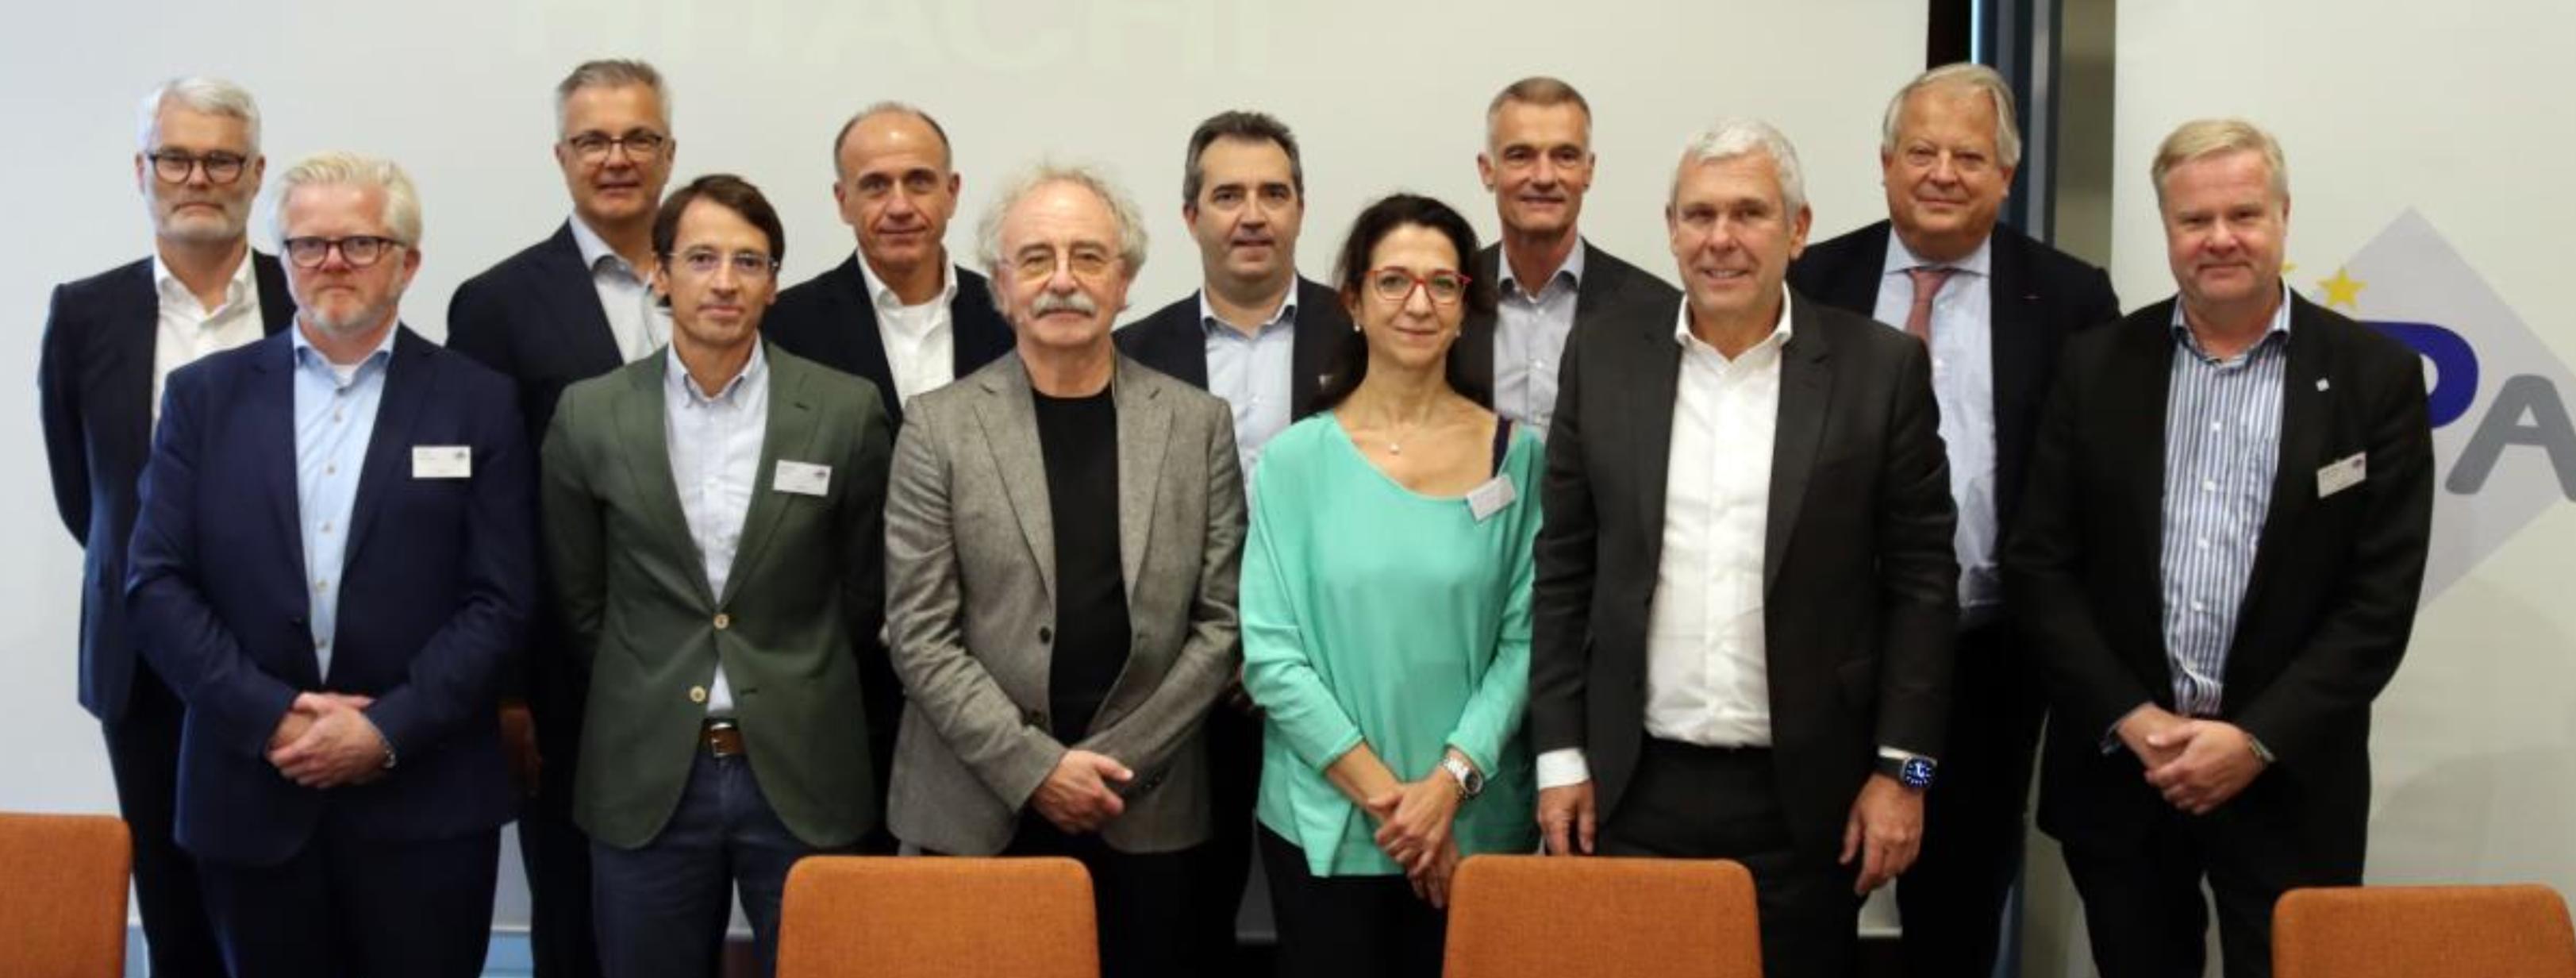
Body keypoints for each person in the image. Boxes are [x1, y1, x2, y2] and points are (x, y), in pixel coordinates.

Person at [1528, 119, 1959, 978]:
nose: (1720, 238)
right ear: (1671, 227)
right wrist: (1559, 754)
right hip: (1632, 786)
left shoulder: (1881, 370)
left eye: (1750, 213)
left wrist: (1903, 772)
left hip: (1809, 797)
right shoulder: (1606, 355)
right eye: (1699, 215)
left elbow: (1922, 585)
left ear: (1797, 229)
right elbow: (1565, 567)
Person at [2006, 118, 2434, 978]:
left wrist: (2254, 739)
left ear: (2283, 217)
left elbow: (2378, 601)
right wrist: (2136, 721)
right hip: (2126, 778)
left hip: (2289, 782)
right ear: (2167, 230)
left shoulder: (2372, 376)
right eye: (2194, 220)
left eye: (2244, 213)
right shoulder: (2095, 366)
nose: (2221, 239)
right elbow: (2041, 567)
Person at [126, 151, 533, 978]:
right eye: (309, 244)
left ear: (408, 262)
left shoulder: (478, 399)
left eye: (360, 242)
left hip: (427, 798)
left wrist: (385, 729)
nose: (332, 262)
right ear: (284, 258)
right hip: (252, 788)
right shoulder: (204, 399)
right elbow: (156, 583)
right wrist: (271, 714)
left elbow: (502, 599)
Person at [1786, 62, 2120, 976]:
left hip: (1985, 661)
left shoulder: (2070, 297)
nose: (1942, 172)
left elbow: (2095, 483)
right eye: (1921, 151)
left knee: (1958, 896)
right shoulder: (1813, 280)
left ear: (2005, 175)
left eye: (1969, 155)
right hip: (1827, 652)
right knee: (1810, 889)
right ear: (1885, 162)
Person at [883, 164, 1243, 978]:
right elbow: (919, 632)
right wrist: (1037, 767)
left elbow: (1222, 623)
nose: (1063, 281)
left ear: (1125, 281)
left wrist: (1110, 764)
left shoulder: (1197, 425)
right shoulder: (938, 428)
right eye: (1037, 259)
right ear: (1002, 285)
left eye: (1089, 257)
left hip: (1142, 802)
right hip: (974, 806)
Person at [540, 174, 893, 978]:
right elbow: (580, 596)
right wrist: (654, 677)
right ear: (661, 274)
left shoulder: (845, 409)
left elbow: (865, 582)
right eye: (701, 258)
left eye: (749, 261)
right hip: (647, 769)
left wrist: (795, 673)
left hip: (804, 762)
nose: (725, 281)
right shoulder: (590, 413)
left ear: (774, 282)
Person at [1240, 192, 1540, 978]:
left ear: (1464, 306)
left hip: (1474, 825)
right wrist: (1400, 809)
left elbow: (1527, 643)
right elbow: (1272, 655)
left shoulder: (1517, 458)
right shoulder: (1295, 460)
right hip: (1327, 830)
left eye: (1443, 284)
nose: (1419, 302)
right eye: (1394, 281)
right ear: (1353, 299)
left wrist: (1446, 789)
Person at [37, 75, 293, 978]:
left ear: (256, 173)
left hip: (288, 659)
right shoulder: (84, 313)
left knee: (282, 904)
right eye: (176, 156)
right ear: (141, 170)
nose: (199, 176)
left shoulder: (310, 294)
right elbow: (90, 499)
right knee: (172, 901)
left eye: (222, 157)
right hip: (141, 658)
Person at [447, 58, 679, 977]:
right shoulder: (497, 303)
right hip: (567, 671)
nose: (616, 157)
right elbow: (484, 512)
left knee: (686, 901)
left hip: (716, 661)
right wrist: (505, 692)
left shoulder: (726, 277)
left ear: (669, 153)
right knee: (576, 908)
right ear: (560, 155)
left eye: (638, 138)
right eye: (594, 140)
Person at [1111, 108, 1353, 968]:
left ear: (1300, 208)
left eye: (1272, 193)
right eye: (1228, 195)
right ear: (1191, 217)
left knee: (1329, 930)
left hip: (1335, 687)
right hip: (1182, 701)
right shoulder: (1130, 354)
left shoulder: (1365, 340)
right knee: (1178, 931)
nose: (1252, 213)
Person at [1456, 75, 1679, 439]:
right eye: (1520, 155)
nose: (1544, 176)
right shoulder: (1448, 295)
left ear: (1588, 170)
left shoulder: (1655, 311)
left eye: (1565, 156)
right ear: (1487, 170)